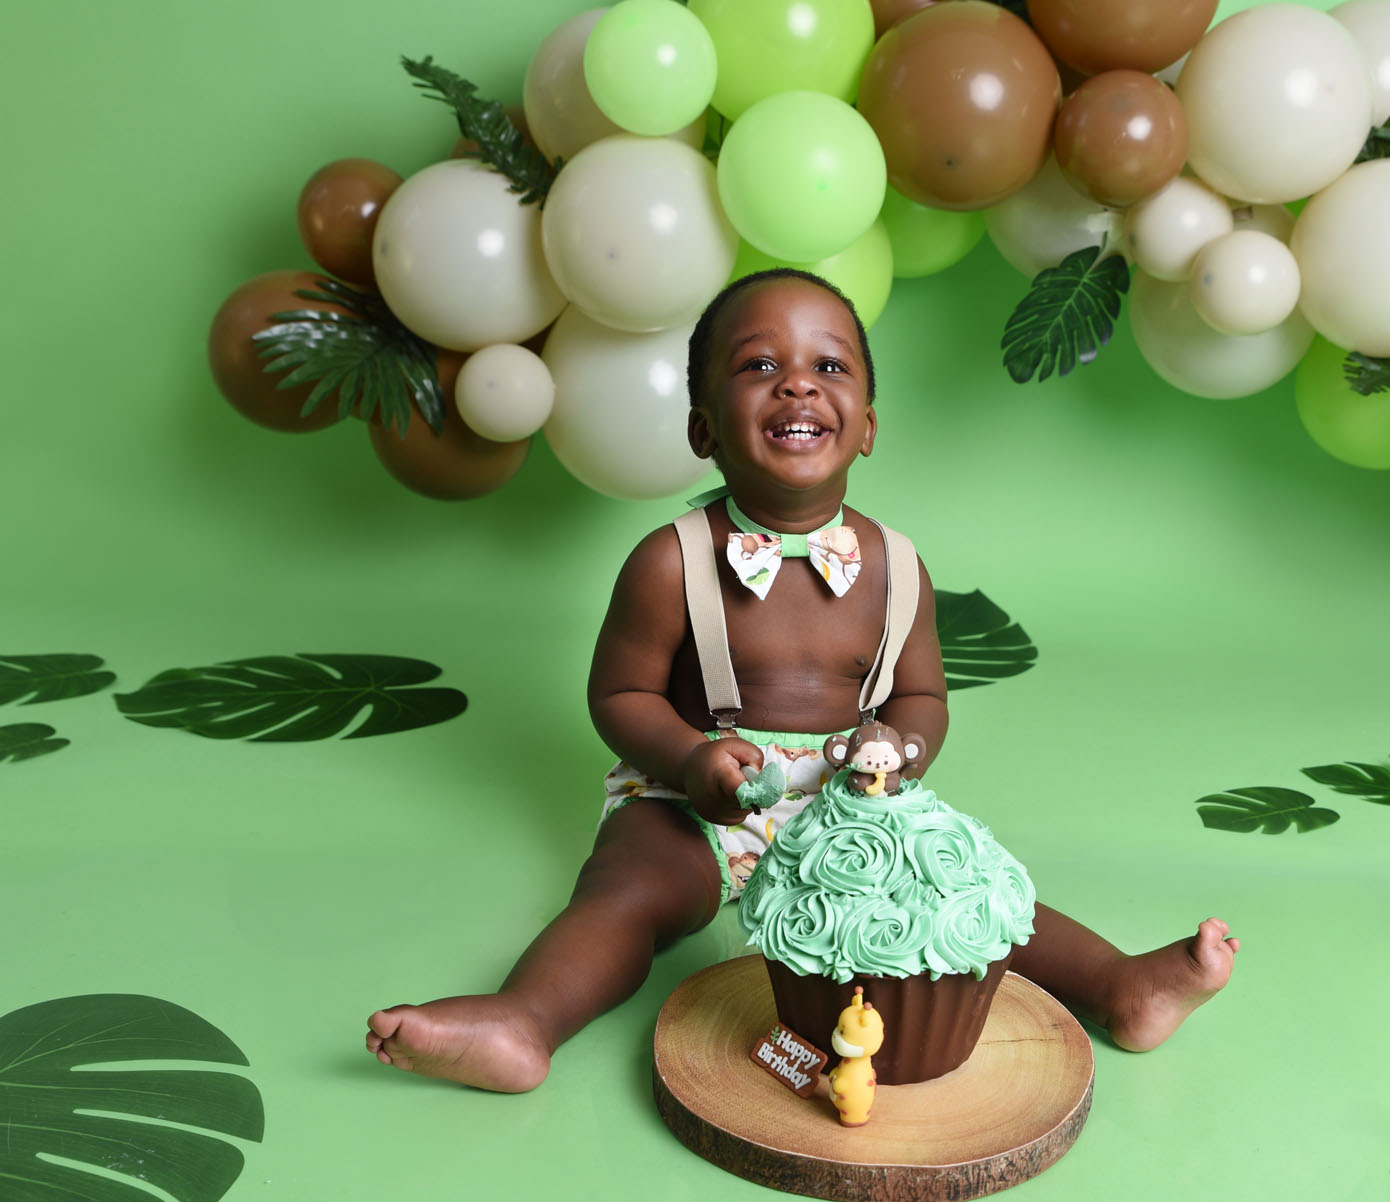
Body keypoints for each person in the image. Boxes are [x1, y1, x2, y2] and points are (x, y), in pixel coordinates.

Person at [365, 269, 1239, 1092]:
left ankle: (1119, 986)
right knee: (627, 892)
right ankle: (525, 1019)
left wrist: (899, 747)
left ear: (867, 426)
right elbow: (620, 695)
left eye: (829, 366)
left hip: (848, 806)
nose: (796, 385)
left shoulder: (896, 566)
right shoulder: (670, 562)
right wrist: (689, 758)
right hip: (693, 802)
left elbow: (921, 697)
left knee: (961, 895)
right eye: (758, 366)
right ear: (704, 430)